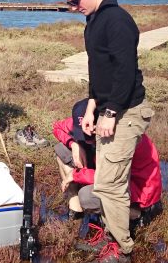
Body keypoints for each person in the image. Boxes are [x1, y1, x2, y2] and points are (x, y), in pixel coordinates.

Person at [59, 0, 153, 263]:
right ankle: (107, 233)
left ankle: (122, 248)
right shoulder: (93, 20)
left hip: (125, 112)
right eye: (70, 4)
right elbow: (98, 71)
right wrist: (91, 106)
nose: (74, 8)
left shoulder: (117, 20)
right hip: (107, 109)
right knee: (106, 180)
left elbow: (125, 72)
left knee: (110, 184)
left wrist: (110, 112)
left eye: (75, 1)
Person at [52, 99, 162, 235]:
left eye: (91, 133)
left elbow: (110, 177)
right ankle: (76, 210)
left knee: (87, 196)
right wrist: (74, 144)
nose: (86, 138)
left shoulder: (122, 137)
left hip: (136, 190)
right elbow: (57, 127)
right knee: (62, 150)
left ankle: (136, 215)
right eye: (82, 132)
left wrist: (75, 175)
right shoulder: (85, 121)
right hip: (108, 173)